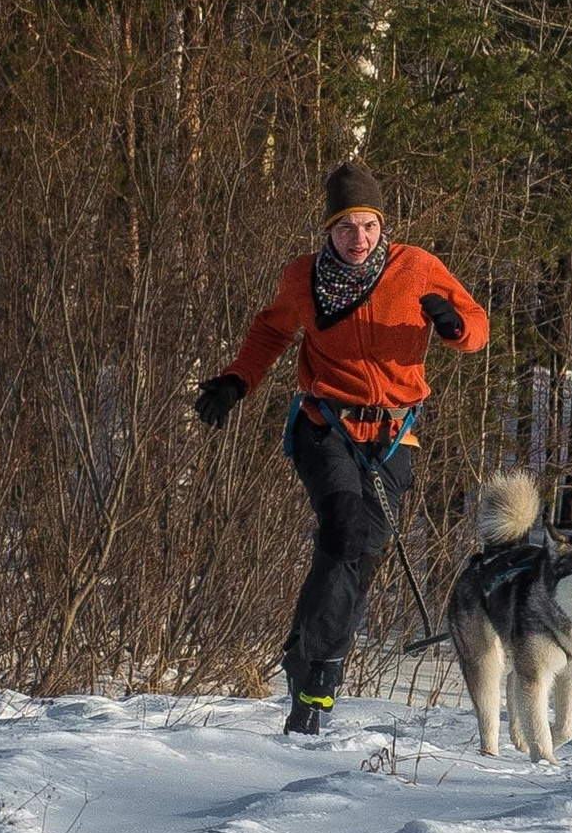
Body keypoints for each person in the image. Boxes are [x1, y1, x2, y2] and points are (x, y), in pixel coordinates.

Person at [193, 163, 489, 734]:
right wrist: (236, 381)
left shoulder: (417, 268)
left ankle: (306, 655)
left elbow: (478, 327)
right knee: (344, 528)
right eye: (346, 227)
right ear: (328, 230)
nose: (359, 239)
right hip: (324, 425)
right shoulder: (304, 278)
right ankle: (320, 678)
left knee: (363, 554)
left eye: (369, 226)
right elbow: (271, 331)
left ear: (383, 226)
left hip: (394, 434)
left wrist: (452, 324)